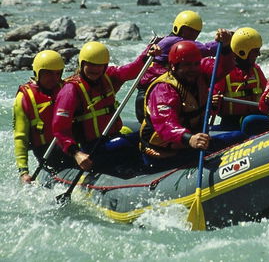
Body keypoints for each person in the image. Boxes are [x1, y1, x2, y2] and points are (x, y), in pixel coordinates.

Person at [52, 41, 160, 174]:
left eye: (99, 66)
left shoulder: (109, 76)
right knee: (142, 137)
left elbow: (132, 70)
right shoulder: (70, 90)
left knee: (150, 133)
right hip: (93, 149)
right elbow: (59, 129)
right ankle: (150, 170)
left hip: (111, 139)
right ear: (82, 64)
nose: (95, 69)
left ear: (105, 66)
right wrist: (76, 154)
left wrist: (148, 53)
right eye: (90, 65)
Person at [139, 38, 246, 170]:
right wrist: (189, 139)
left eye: (196, 64)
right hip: (164, 152)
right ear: (173, 66)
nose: (193, 69)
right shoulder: (164, 89)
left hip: (194, 142)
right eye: (187, 65)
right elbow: (165, 124)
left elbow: (224, 67)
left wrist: (225, 47)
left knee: (241, 137)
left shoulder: (200, 75)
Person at [135, 10, 223, 123]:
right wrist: (226, 43)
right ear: (179, 29)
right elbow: (206, 49)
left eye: (195, 33)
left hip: (154, 93)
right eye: (189, 31)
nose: (192, 35)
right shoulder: (173, 42)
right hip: (149, 96)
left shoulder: (168, 40)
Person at [13, 50, 74, 184]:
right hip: (47, 152)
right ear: (37, 73)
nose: (54, 78)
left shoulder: (66, 88)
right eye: (48, 73)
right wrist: (24, 171)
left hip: (70, 145)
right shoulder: (24, 97)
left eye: (58, 73)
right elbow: (20, 136)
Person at [212, 27, 269, 135]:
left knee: (251, 121)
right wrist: (213, 102)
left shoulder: (256, 70)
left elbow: (267, 101)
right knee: (249, 122)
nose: (259, 54)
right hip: (232, 124)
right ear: (243, 52)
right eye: (255, 51)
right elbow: (210, 108)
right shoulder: (224, 73)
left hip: (256, 121)